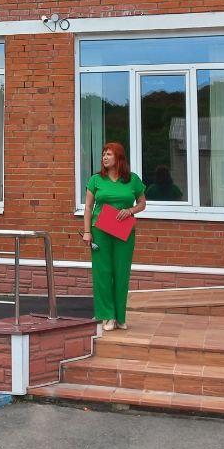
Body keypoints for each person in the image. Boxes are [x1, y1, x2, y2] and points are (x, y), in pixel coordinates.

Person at [81, 142, 146, 332]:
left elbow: (142, 203)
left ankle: (119, 316)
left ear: (119, 157)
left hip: (124, 231)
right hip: (100, 230)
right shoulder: (96, 180)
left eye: (109, 154)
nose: (104, 157)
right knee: (102, 273)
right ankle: (106, 315)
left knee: (121, 272)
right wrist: (87, 232)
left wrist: (130, 210)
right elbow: (88, 207)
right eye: (103, 154)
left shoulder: (132, 180)